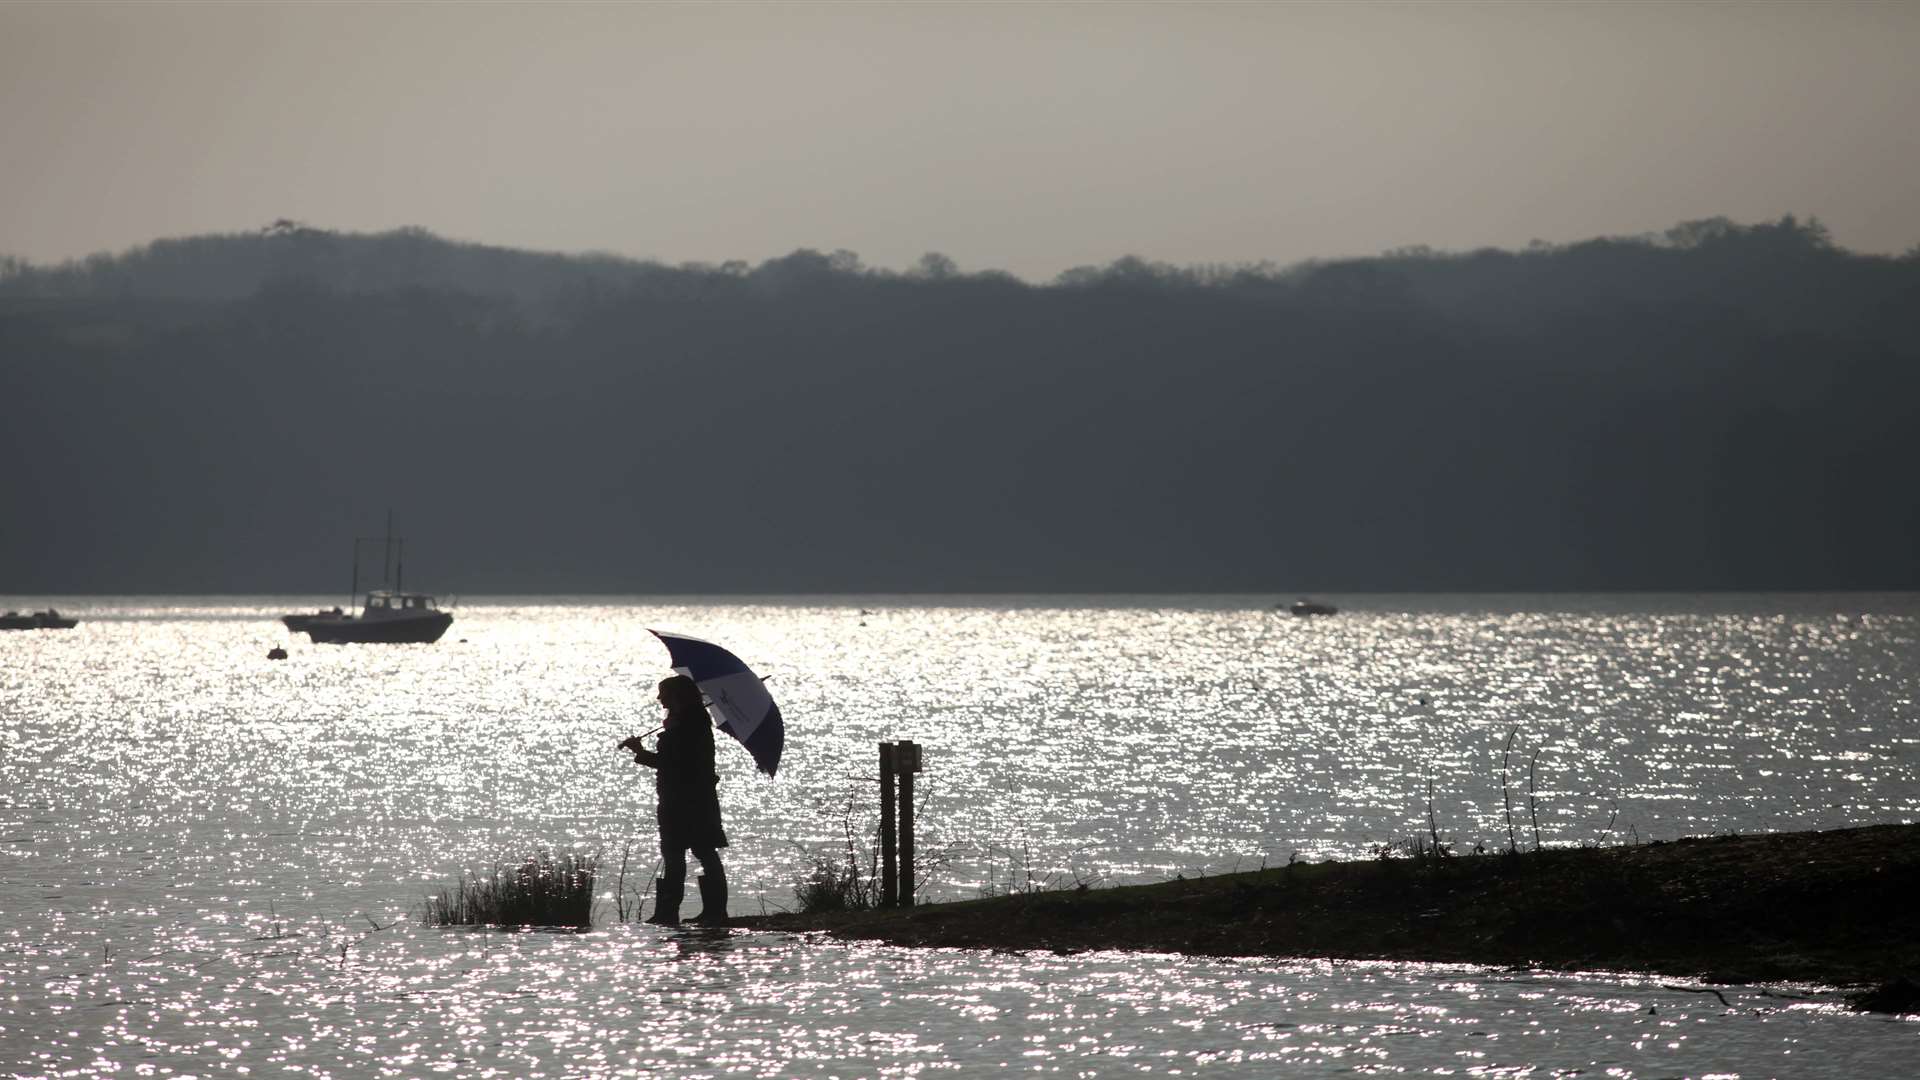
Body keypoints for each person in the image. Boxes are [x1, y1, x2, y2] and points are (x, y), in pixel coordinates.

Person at [619, 675, 729, 926]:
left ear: (677, 696)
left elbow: (672, 764)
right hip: (690, 800)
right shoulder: (688, 723)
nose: (659, 698)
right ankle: (709, 912)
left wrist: (640, 752)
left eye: (663, 693)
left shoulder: (687, 726)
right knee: (698, 852)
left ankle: (674, 913)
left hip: (684, 802)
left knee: (681, 852)